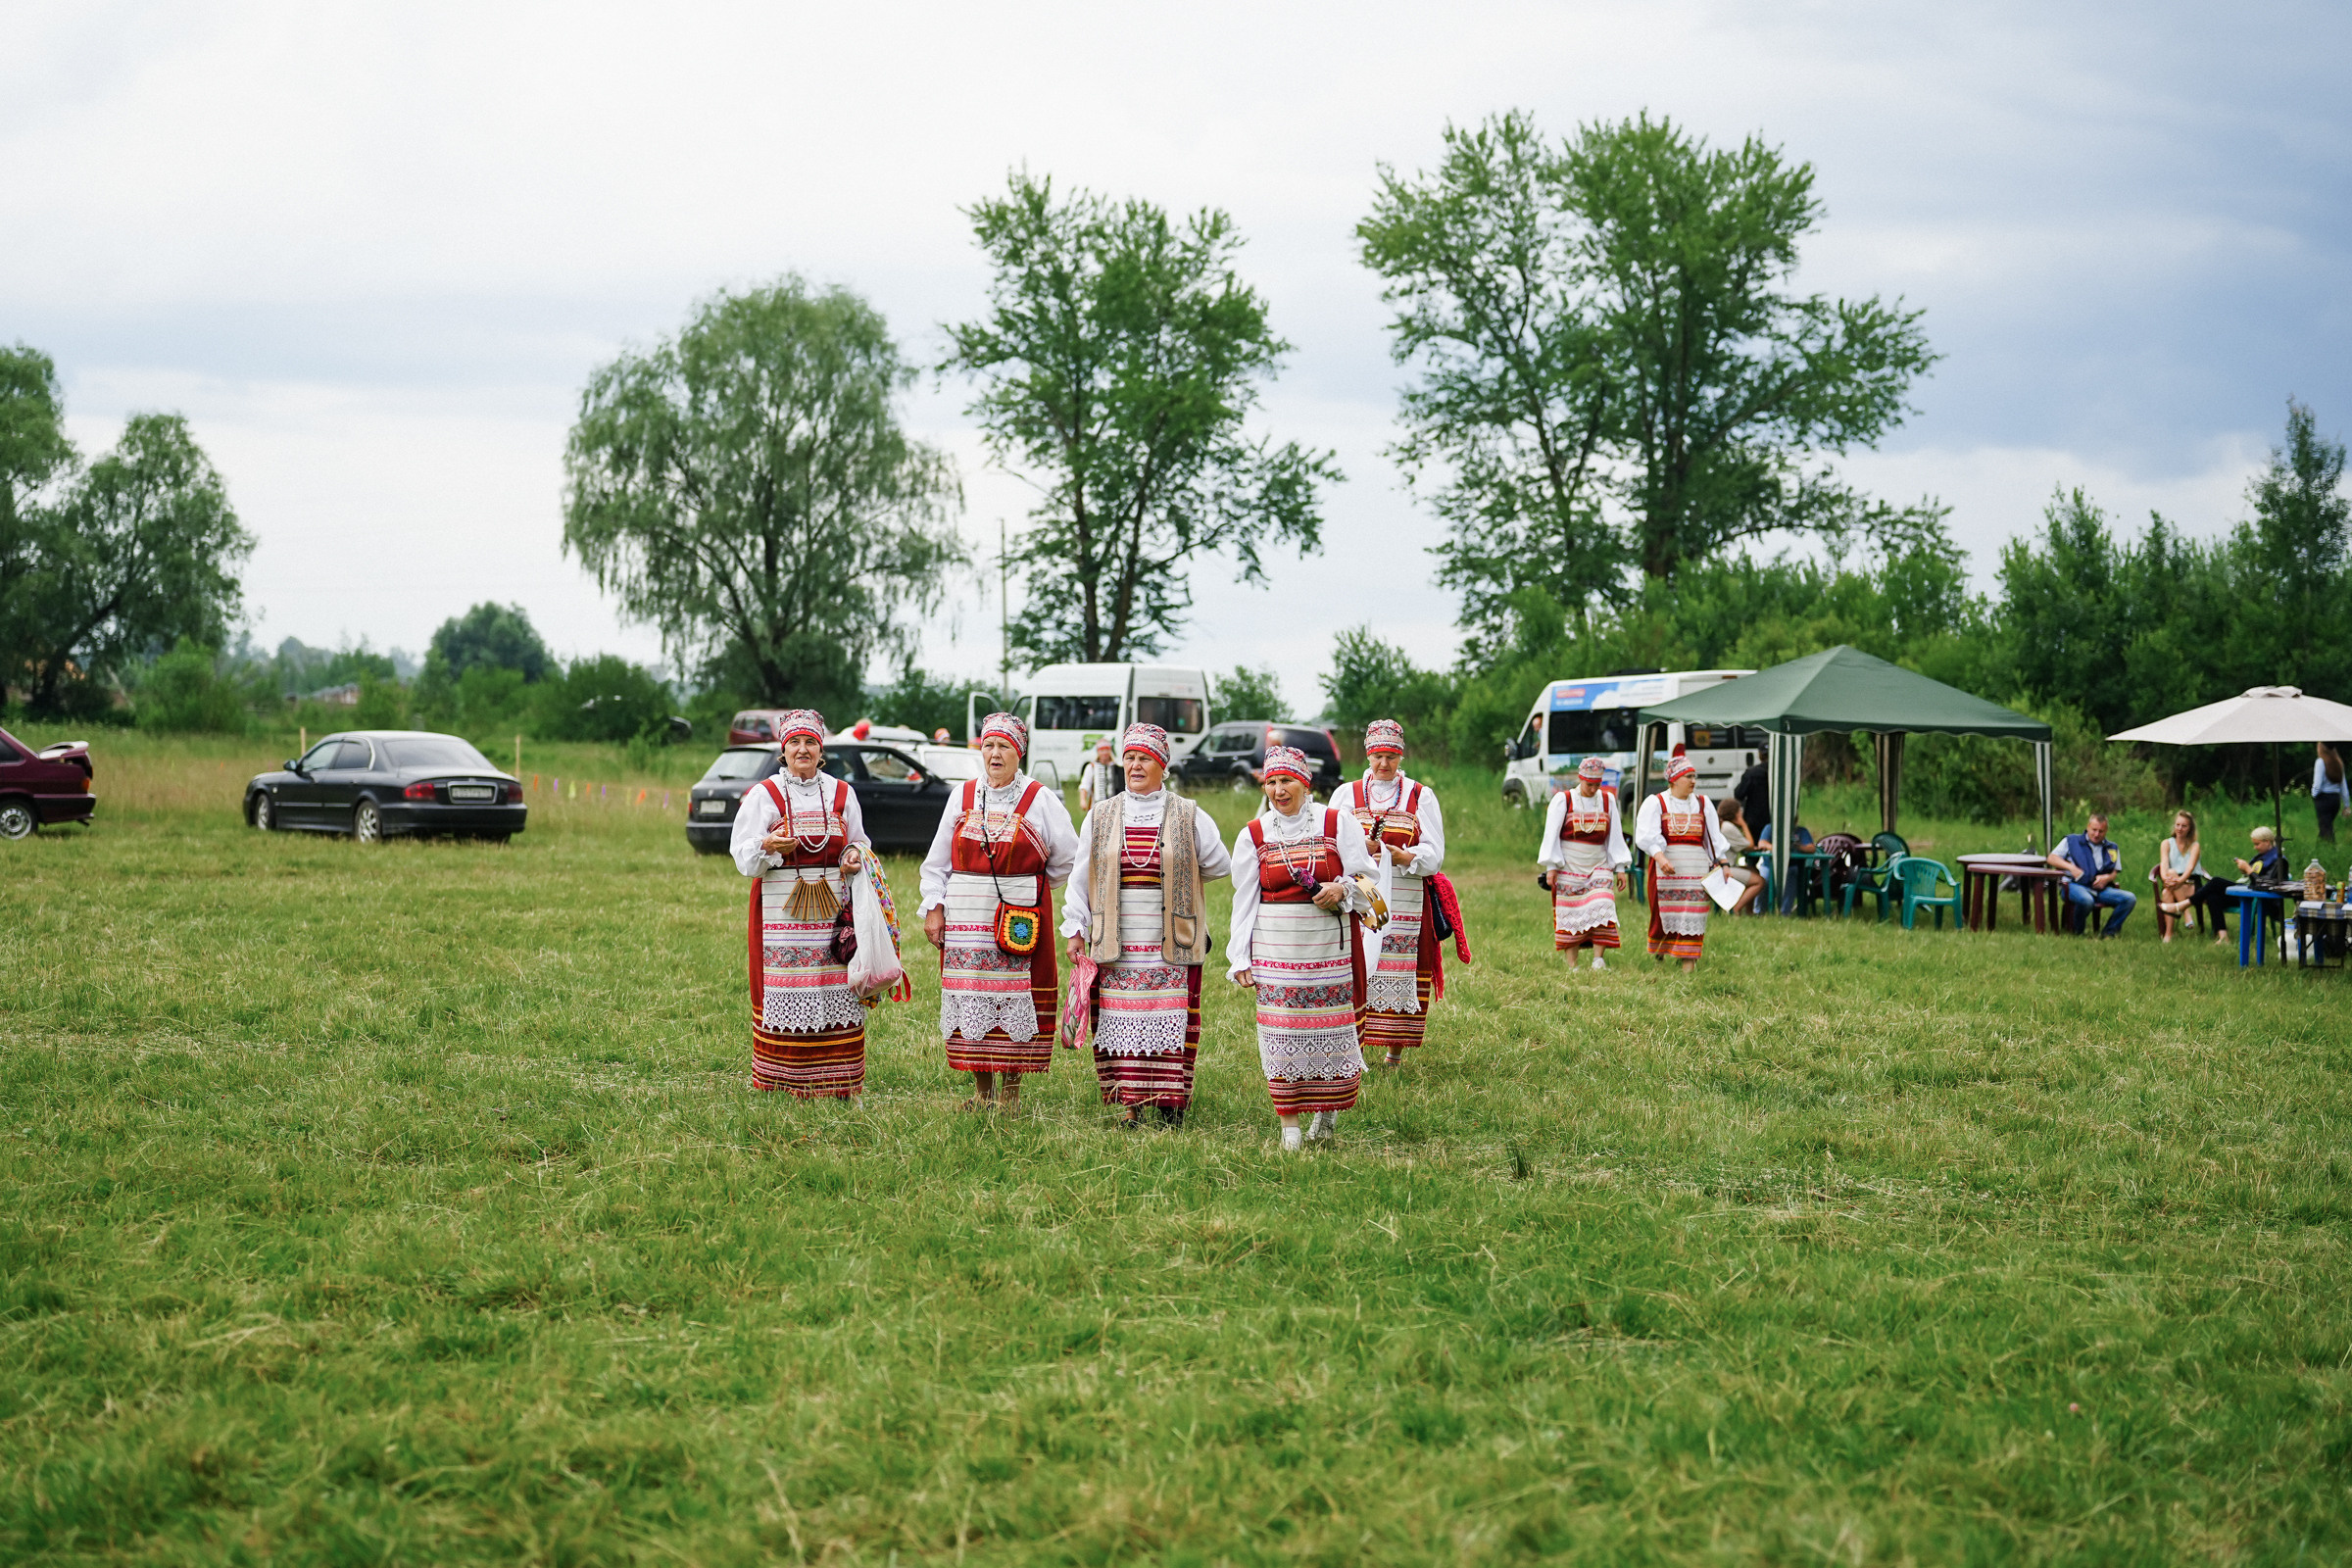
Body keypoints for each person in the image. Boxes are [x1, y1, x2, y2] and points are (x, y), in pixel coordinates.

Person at [1061, 723, 1231, 1129]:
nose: (1135, 766)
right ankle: (1130, 1106)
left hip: (1170, 935)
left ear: (1163, 766)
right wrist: (1075, 927)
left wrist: (1182, 876)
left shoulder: (1187, 812)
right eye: (1130, 758)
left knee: (1168, 1015)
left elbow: (1220, 863)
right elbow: (1079, 874)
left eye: (1145, 759)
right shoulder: (1100, 815)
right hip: (1116, 936)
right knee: (1122, 1019)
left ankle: (1169, 1103)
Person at [918, 712, 1077, 1112]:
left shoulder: (1040, 798)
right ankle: (982, 1090)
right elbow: (937, 861)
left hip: (1017, 921)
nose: (994, 753)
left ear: (1019, 753)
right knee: (973, 1000)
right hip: (966, 920)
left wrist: (1032, 889)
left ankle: (1011, 1093)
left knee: (1014, 1001)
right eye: (988, 745)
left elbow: (1070, 858)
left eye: (1004, 746)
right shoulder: (963, 795)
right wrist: (934, 909)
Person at [1230, 745, 1379, 1151]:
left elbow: (1370, 880)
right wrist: (1239, 956)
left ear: (1305, 783)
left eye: (1287, 781)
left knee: (1330, 1031)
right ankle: (1290, 1128)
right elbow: (1244, 898)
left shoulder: (1336, 823)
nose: (1279, 790)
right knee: (1281, 1035)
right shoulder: (1254, 834)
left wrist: (1342, 887)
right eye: (1272, 782)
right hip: (1276, 950)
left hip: (1330, 948)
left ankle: (1326, 1117)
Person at [730, 710, 872, 1099]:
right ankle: (783, 1081)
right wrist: (767, 846)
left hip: (833, 912)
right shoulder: (765, 794)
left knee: (835, 988)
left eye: (810, 742)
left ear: (821, 749)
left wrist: (853, 857)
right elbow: (741, 854)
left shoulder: (843, 793)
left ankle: (838, 1081)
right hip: (780, 911)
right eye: (795, 742)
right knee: (786, 989)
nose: (803, 749)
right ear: (783, 749)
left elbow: (860, 841)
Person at [1345, 719, 1447, 1067]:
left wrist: (1408, 856)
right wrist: (1363, 848)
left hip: (1404, 893)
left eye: (1390, 756)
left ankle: (1394, 1051)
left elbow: (1435, 853)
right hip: (1362, 890)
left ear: (1400, 756)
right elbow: (1332, 840)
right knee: (1358, 963)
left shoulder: (1420, 795)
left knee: (1397, 964)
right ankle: (1354, 1046)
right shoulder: (1347, 794)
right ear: (1368, 755)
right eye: (1377, 756)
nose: (1383, 764)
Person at [1633, 751, 1729, 972]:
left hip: (1697, 868)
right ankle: (1662, 950)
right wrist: (1660, 856)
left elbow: (1713, 837)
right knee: (1663, 913)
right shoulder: (1656, 803)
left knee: (1693, 912)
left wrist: (1723, 864)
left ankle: (1688, 964)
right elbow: (1646, 835)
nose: (1694, 782)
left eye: (1695, 777)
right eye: (1689, 777)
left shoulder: (1703, 804)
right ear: (1674, 779)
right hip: (1666, 869)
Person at [1538, 757, 1630, 968]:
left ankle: (1599, 959)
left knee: (1603, 903)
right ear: (1581, 779)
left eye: (1597, 785)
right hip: (1570, 864)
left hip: (1598, 862)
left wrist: (1621, 867)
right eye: (1589, 785)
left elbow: (1614, 835)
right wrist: (1551, 866)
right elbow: (1551, 834)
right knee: (1572, 911)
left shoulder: (1607, 801)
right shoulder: (1565, 799)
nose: (1593, 789)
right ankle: (1573, 964)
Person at [2189, 824, 2287, 944]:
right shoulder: (2261, 856)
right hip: (2249, 893)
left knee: (2216, 882)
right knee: (2212, 897)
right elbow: (2253, 877)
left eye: (2257, 844)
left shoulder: (2278, 860)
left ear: (2267, 842)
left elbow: (2264, 884)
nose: (2254, 848)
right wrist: (2245, 871)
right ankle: (2223, 937)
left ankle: (2185, 904)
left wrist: (2249, 871)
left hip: (2260, 898)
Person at [2048, 812, 2133, 937]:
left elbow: (2114, 871)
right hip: (2074, 886)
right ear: (2088, 827)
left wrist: (2107, 878)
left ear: (2106, 831)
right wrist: (2071, 868)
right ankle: (2078, 932)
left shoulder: (2112, 848)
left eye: (2101, 831)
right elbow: (2051, 858)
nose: (2097, 834)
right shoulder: (2071, 841)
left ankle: (2109, 932)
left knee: (2129, 899)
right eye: (2094, 830)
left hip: (2100, 889)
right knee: (2086, 900)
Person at [2153, 809, 2202, 943]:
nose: (2180, 829)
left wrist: (2179, 881)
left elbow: (2190, 867)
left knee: (2169, 885)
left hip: (2191, 882)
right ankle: (2175, 926)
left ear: (2190, 828)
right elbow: (2164, 864)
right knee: (2168, 884)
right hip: (2173, 880)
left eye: (2184, 826)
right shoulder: (2166, 843)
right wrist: (2165, 879)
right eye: (2177, 825)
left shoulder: (2194, 845)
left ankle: (2172, 928)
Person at [1714, 798, 1769, 916]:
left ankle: (1749, 912)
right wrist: (1743, 824)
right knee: (1759, 881)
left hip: (1721, 867)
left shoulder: (1722, 825)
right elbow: (1749, 844)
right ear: (1735, 813)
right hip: (1724, 869)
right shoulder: (1728, 827)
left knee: (1754, 870)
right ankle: (1736, 909)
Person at [1077, 737, 1123, 812]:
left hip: (1115, 808)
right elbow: (1085, 785)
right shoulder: (1091, 767)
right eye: (1102, 750)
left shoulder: (1118, 767)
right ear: (1098, 752)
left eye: (1107, 750)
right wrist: (1083, 800)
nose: (1104, 753)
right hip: (1097, 807)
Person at [1733, 758, 1771, 847]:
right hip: (1775, 819)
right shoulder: (1781, 771)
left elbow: (1739, 794)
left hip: (1754, 821)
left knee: (1753, 850)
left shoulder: (1752, 773)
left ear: (1760, 755)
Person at [2315, 744, 2348, 844]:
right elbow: (2343, 785)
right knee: (2327, 825)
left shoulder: (2320, 762)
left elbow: (2317, 784)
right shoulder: (2338, 762)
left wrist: (2314, 795)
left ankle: (2331, 851)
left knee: (2326, 828)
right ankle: (2319, 849)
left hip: (2323, 799)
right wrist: (2347, 805)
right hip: (2335, 799)